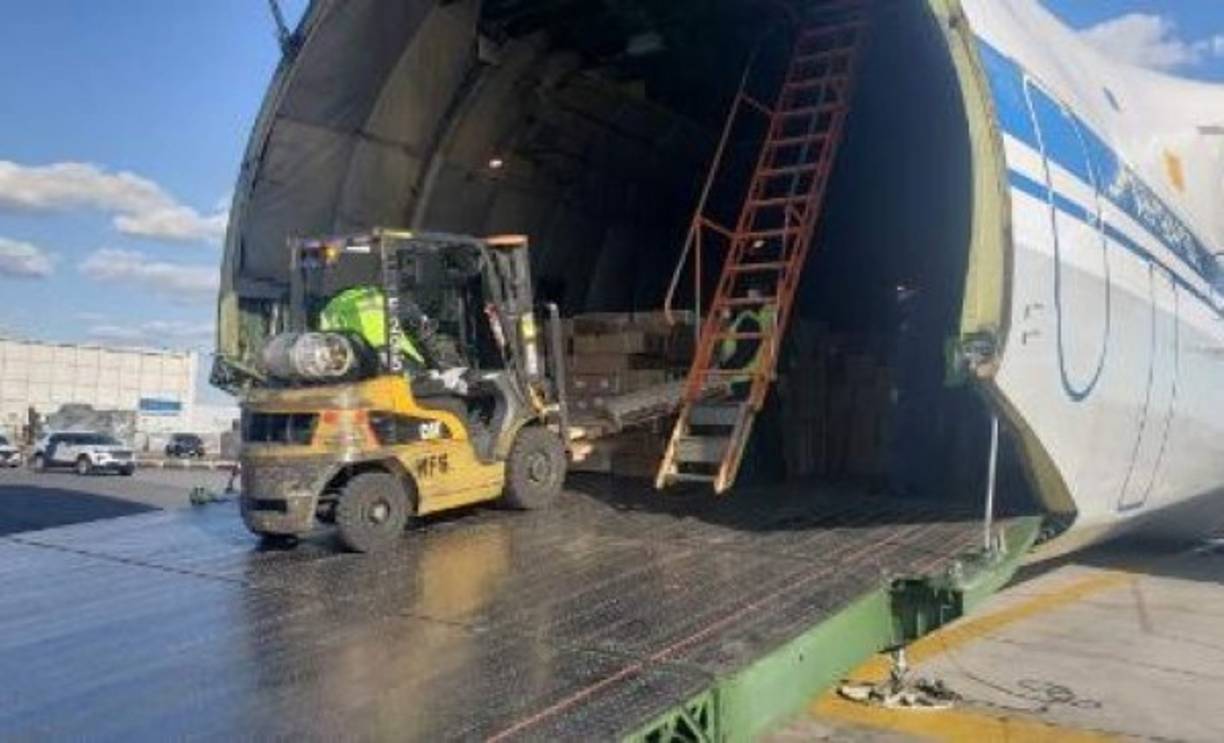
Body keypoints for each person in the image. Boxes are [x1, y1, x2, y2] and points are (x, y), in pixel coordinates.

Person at [717, 287, 776, 394]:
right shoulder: (769, 315)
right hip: (758, 375)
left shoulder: (748, 319)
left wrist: (727, 369)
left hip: (744, 378)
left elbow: (745, 350)